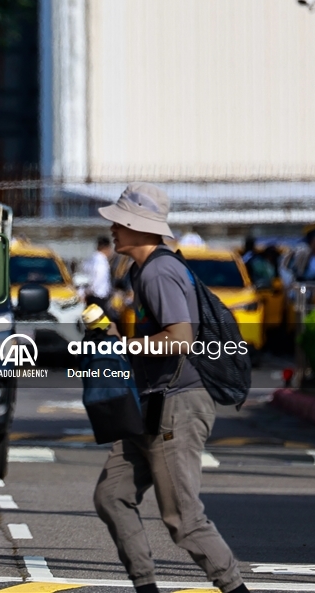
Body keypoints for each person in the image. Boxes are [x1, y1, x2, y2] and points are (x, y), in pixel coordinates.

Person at [94, 183, 250, 593]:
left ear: (140, 228)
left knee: (183, 518)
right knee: (112, 495)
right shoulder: (144, 271)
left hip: (177, 404)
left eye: (120, 221)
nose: (112, 228)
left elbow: (181, 338)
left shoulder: (161, 271)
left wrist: (123, 344)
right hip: (151, 403)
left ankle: (234, 587)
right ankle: (145, 586)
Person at [82, 235, 115, 311]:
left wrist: (85, 293)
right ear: (107, 248)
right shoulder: (101, 262)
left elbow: (83, 277)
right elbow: (97, 279)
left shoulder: (90, 259)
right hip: (98, 297)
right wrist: (90, 291)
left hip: (90, 296)